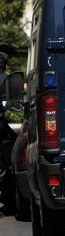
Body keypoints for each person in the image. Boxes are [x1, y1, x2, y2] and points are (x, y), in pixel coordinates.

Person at [0, 52, 14, 217]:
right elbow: (7, 103)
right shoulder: (5, 79)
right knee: (11, 162)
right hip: (1, 126)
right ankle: (9, 201)